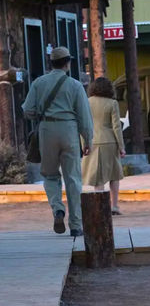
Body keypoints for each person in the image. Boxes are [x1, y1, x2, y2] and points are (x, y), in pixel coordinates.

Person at [21, 47, 93, 237]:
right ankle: (76, 225)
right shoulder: (75, 85)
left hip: (47, 129)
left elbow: (28, 110)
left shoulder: (38, 83)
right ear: (68, 62)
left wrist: (42, 114)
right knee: (73, 179)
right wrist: (88, 140)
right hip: (69, 130)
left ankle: (58, 210)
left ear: (50, 63)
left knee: (50, 175)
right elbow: (84, 117)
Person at [81, 77, 126, 215]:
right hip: (110, 141)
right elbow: (116, 127)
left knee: (97, 176)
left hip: (93, 141)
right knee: (114, 175)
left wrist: (84, 144)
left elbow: (83, 125)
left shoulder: (86, 103)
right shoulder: (112, 103)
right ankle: (115, 205)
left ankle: (100, 206)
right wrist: (121, 146)